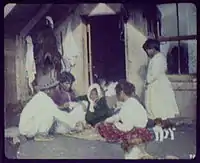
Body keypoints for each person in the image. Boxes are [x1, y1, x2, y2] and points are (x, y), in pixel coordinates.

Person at [95, 80, 154, 159]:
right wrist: (108, 120)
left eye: (117, 93)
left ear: (122, 93)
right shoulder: (131, 102)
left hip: (134, 131)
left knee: (131, 155)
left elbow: (127, 126)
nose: (116, 96)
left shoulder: (129, 105)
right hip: (141, 130)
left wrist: (115, 125)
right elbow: (119, 116)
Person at [18, 76, 83, 141]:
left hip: (26, 128)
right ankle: (41, 134)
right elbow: (58, 113)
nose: (55, 90)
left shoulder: (41, 97)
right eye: (53, 88)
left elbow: (57, 110)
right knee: (49, 114)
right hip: (28, 128)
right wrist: (74, 124)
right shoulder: (44, 99)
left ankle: (40, 133)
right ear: (48, 90)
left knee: (52, 115)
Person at [142, 39, 180, 120]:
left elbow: (155, 73)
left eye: (148, 50)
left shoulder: (158, 58)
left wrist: (148, 82)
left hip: (157, 84)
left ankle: (161, 122)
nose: (147, 52)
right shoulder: (156, 58)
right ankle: (159, 121)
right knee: (155, 105)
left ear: (153, 48)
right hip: (156, 83)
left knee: (158, 104)